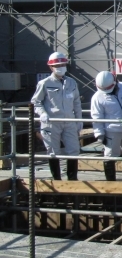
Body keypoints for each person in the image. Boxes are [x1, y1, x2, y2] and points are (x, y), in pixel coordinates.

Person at [31, 52, 82, 180]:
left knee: (73, 150)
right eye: (57, 65)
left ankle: (72, 179)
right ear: (51, 67)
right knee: (53, 151)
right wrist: (42, 113)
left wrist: (79, 120)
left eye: (62, 64)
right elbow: (36, 101)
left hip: (69, 121)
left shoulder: (71, 82)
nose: (60, 67)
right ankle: (57, 179)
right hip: (51, 122)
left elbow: (77, 102)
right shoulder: (45, 83)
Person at [91, 71, 122, 182]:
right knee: (110, 155)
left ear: (115, 81)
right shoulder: (97, 97)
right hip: (112, 131)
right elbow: (97, 117)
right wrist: (100, 134)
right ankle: (111, 181)